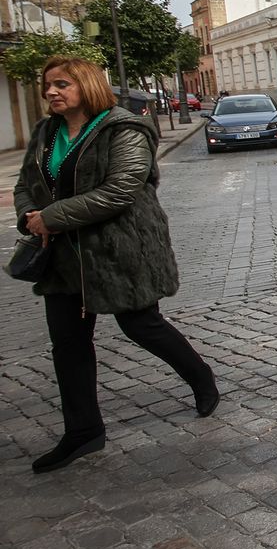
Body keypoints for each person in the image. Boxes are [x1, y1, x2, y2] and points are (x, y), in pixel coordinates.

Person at [14, 56, 220, 473]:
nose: (51, 92)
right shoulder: (45, 132)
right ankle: (83, 431)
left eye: (61, 84)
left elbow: (120, 190)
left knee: (141, 325)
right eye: (47, 85)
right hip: (63, 258)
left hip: (119, 250)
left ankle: (201, 377)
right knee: (68, 343)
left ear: (86, 85)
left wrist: (49, 217)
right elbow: (25, 184)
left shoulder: (124, 128)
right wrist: (27, 215)